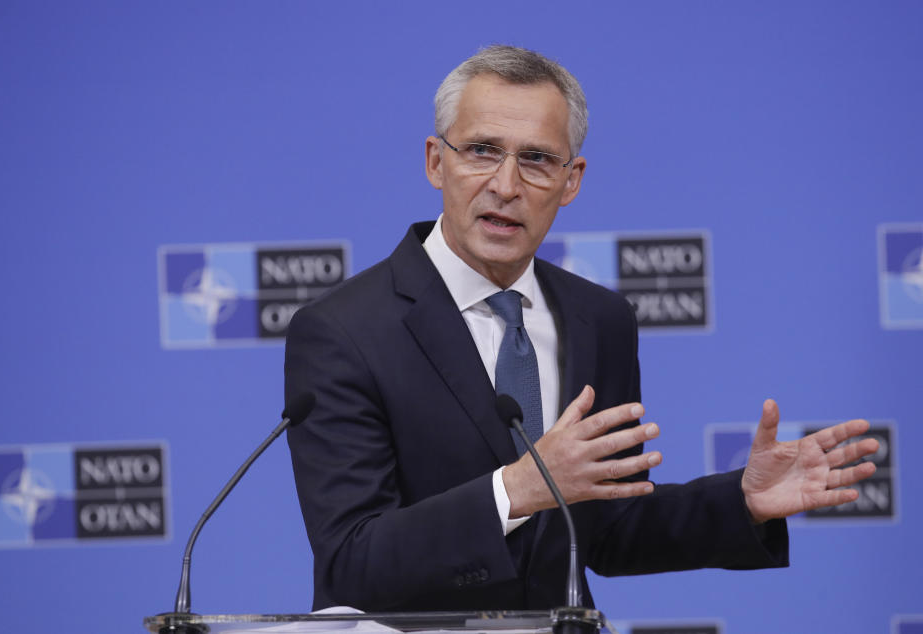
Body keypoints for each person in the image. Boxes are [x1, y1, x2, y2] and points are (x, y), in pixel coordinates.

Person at [284, 45, 878, 612]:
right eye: (483, 150)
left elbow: (609, 529)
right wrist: (517, 488)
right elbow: (350, 559)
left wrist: (741, 502)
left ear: (572, 180)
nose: (507, 185)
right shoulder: (343, 330)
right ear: (436, 162)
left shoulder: (601, 319)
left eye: (537, 159)